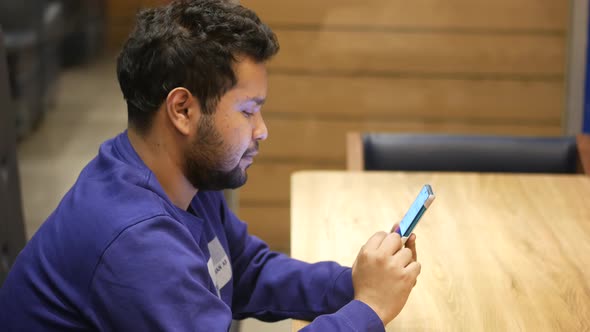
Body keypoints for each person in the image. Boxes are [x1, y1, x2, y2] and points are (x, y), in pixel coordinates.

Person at [0, 0, 421, 331]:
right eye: (248, 111)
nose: (262, 131)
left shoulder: (180, 179)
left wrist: (355, 284)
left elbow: (246, 271)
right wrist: (368, 309)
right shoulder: (137, 242)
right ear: (182, 109)